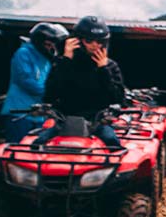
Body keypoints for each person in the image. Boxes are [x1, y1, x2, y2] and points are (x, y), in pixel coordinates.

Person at [35, 16, 126, 149]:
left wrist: (103, 70)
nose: (96, 44)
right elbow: (50, 95)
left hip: (98, 122)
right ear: (77, 40)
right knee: (37, 144)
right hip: (65, 122)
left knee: (114, 146)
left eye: (100, 41)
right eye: (89, 40)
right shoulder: (63, 63)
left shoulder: (110, 66)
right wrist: (65, 60)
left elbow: (118, 99)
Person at [0, 22, 69, 142]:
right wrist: (54, 94)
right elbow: (28, 82)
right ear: (40, 40)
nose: (52, 46)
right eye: (49, 43)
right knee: (17, 150)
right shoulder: (24, 53)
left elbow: (51, 81)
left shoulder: (46, 59)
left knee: (36, 152)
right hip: (20, 113)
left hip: (39, 116)